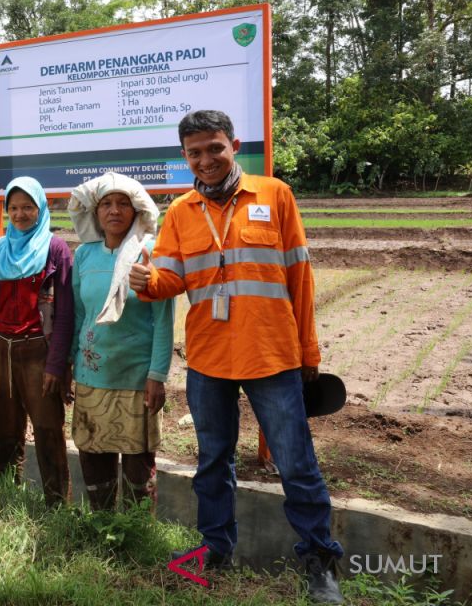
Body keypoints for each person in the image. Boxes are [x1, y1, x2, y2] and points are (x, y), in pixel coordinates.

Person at [128, 110, 343, 604]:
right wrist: (147, 283)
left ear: (234, 145)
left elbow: (299, 278)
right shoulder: (181, 211)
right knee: (212, 462)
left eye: (214, 148)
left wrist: (308, 349)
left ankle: (318, 559)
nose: (205, 160)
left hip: (272, 356)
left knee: (296, 462)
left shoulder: (275, 195)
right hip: (208, 359)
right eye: (194, 153)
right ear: (184, 157)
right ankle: (214, 550)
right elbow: (171, 279)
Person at [0, 176, 74, 505]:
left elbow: (65, 315)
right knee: (4, 426)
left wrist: (57, 364)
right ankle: (6, 491)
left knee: (48, 428)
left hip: (39, 350)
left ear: (41, 209)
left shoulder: (55, 249)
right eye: (14, 208)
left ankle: (57, 502)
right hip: (2, 349)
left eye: (28, 208)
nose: (20, 214)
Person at [67, 172, 173, 511]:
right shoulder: (84, 255)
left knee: (138, 463)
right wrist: (72, 362)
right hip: (91, 375)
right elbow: (80, 315)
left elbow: (163, 320)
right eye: (106, 204)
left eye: (123, 203)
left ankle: (136, 532)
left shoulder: (150, 253)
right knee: (93, 454)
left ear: (137, 210)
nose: (114, 211)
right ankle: (101, 523)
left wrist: (157, 375)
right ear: (95, 213)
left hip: (136, 379)